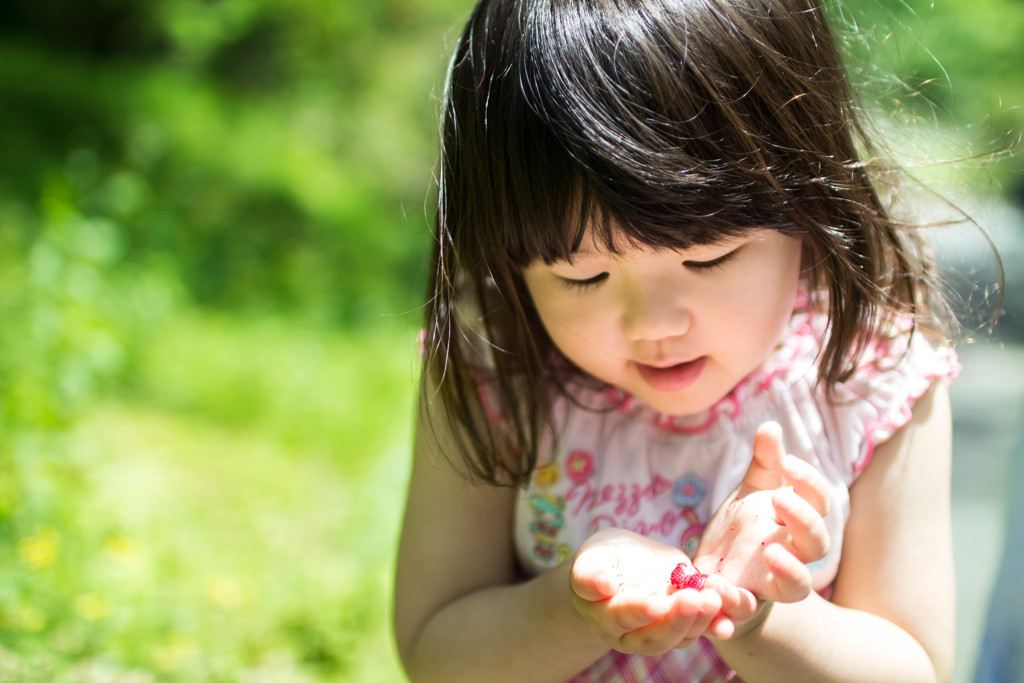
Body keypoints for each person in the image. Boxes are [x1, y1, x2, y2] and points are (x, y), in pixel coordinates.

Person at [394, 0, 962, 680]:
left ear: (809, 207)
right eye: (584, 276)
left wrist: (761, 615)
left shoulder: (872, 378)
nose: (653, 325)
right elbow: (436, 651)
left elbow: (915, 666)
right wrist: (578, 606)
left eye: (708, 259)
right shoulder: (498, 364)